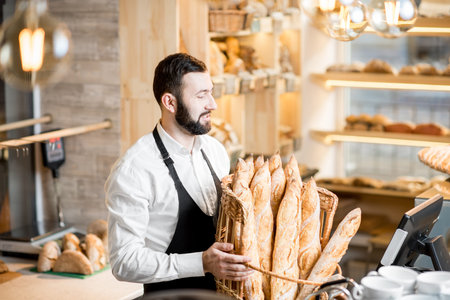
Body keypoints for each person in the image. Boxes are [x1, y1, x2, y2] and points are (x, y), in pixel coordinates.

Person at [105, 53, 254, 293]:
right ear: (170, 102)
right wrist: (202, 263)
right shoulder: (135, 169)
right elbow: (123, 262)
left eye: (211, 92)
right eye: (201, 95)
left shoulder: (215, 151)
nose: (212, 104)